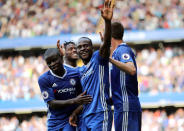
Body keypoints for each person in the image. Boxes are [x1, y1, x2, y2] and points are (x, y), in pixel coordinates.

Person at [69, 0, 114, 130]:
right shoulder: (80, 71)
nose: (82, 49)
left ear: (91, 48)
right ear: (76, 51)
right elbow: (87, 98)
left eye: (86, 46)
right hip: (86, 117)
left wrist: (107, 21)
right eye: (79, 47)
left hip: (100, 114)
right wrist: (75, 113)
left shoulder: (98, 59)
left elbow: (105, 45)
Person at [38, 48, 92, 131]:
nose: (52, 64)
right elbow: (52, 103)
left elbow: (84, 99)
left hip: (70, 119)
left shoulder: (76, 73)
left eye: (54, 60)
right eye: (49, 63)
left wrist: (75, 111)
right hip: (54, 121)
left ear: (61, 57)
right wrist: (74, 100)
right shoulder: (44, 79)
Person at [110, 22, 142, 131]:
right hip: (123, 105)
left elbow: (131, 69)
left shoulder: (122, 50)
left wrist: (110, 59)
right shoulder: (116, 52)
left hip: (126, 105)